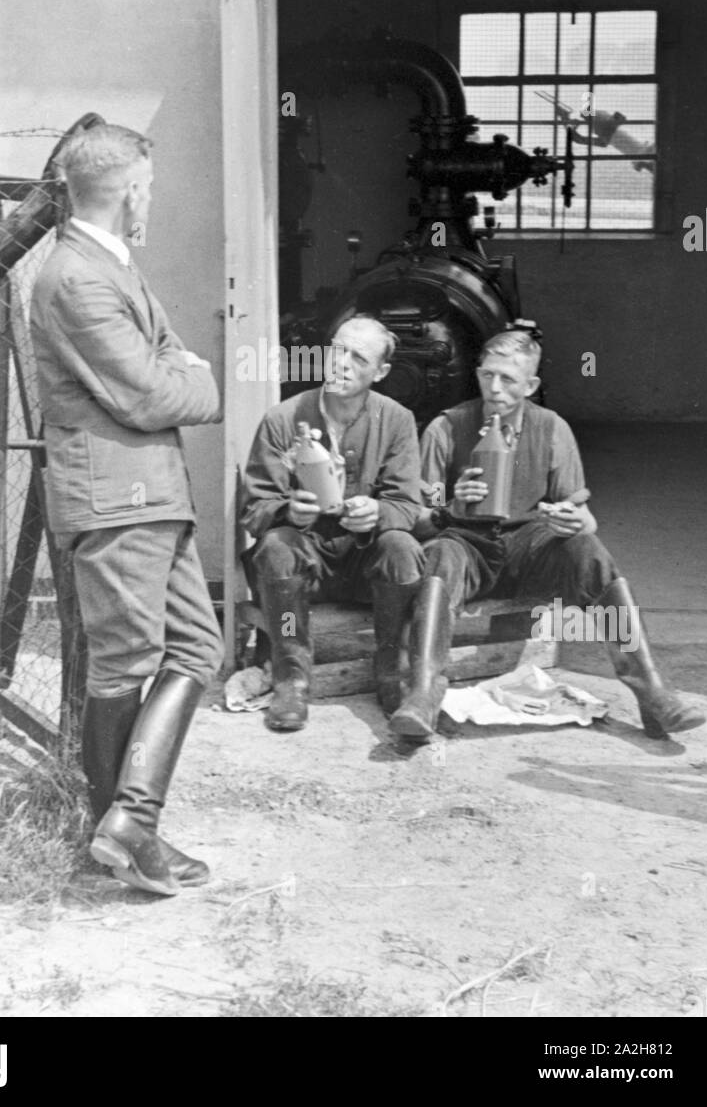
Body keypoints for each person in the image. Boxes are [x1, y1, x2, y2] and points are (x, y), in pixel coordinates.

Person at [29, 123, 223, 896]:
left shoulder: (111, 267)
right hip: (117, 501)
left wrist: (177, 370)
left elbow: (165, 365)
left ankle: (127, 824)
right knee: (122, 666)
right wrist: (197, 381)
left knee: (196, 650)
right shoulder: (74, 278)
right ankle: (119, 826)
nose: (153, 196)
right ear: (129, 188)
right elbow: (154, 392)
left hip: (151, 498)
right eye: (149, 184)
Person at [406, 325, 706, 742]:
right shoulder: (445, 429)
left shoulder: (552, 429)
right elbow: (419, 517)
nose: (495, 387)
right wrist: (449, 506)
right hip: (465, 545)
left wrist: (572, 519)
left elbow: (584, 515)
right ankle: (423, 694)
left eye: (508, 379)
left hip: (530, 545)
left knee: (590, 551)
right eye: (487, 374)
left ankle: (652, 692)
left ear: (531, 385)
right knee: (439, 556)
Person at [240, 316, 429, 731]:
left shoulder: (396, 420)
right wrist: (290, 510)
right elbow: (254, 507)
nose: (340, 363)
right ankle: (291, 680)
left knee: (402, 547)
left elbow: (407, 504)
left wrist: (377, 513)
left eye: (357, 357)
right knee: (274, 546)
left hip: (365, 564)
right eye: (336, 349)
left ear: (380, 373)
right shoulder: (284, 418)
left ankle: (390, 670)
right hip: (306, 563)